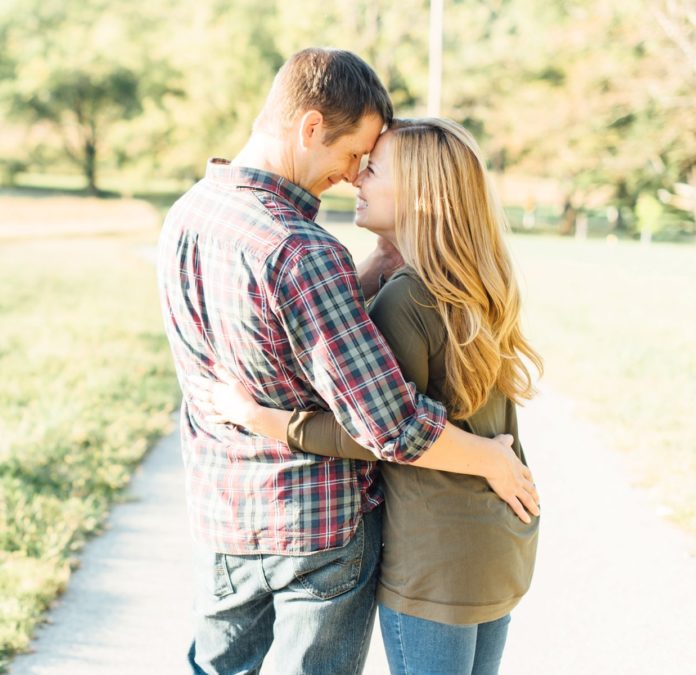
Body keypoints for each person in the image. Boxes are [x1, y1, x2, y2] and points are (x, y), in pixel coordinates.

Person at [156, 47, 539, 675]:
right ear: (310, 128)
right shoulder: (303, 250)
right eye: (353, 154)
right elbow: (390, 425)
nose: (351, 173)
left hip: (222, 513)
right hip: (315, 530)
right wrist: (488, 458)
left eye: (368, 165)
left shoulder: (188, 214)